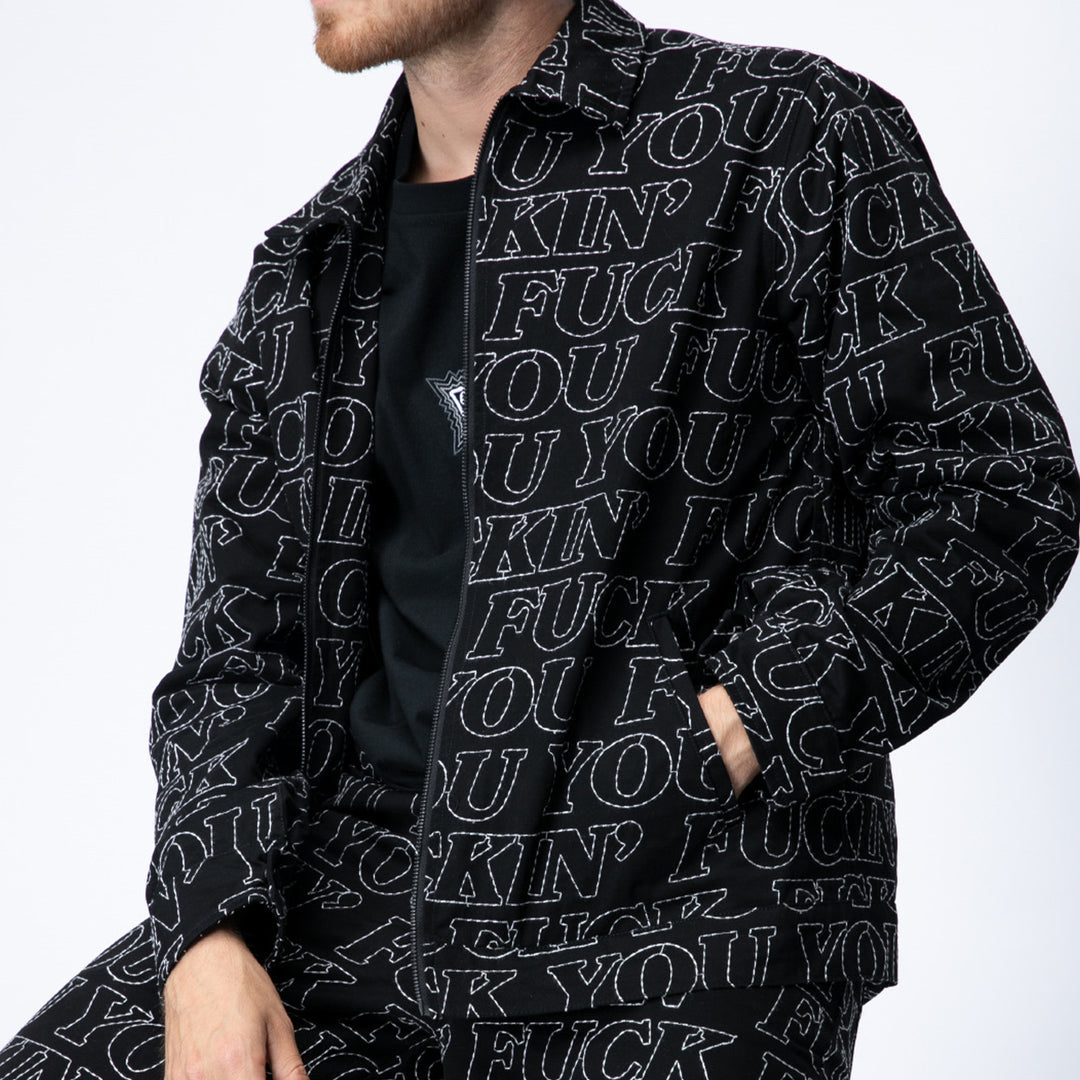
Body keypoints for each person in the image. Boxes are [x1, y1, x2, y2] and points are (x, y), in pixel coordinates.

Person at [2, 0, 1078, 1077]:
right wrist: (206, 937)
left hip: (683, 925)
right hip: (350, 912)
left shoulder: (781, 136)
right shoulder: (308, 274)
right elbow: (237, 654)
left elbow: (999, 489)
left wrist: (732, 729)